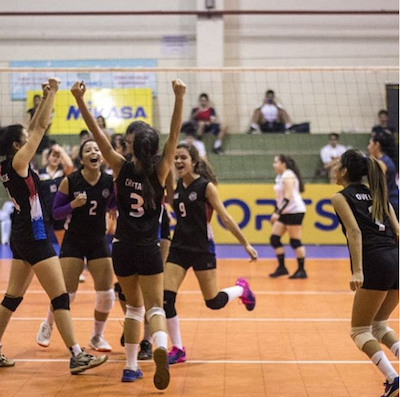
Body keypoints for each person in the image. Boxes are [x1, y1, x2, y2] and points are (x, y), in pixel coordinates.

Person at [70, 78, 186, 390]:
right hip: (149, 249)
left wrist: (80, 99)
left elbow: (97, 135)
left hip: (122, 248)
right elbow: (175, 135)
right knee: (155, 308)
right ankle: (160, 345)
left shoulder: (120, 167)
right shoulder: (160, 170)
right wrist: (178, 97)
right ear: (156, 148)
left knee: (133, 308)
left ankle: (131, 367)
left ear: (131, 145)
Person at [0, 78, 107, 373]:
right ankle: (77, 354)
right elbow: (41, 128)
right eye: (24, 136)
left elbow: (33, 127)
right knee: (60, 297)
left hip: (21, 235)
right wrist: (54, 94)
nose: (30, 134)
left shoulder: (9, 164)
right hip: (34, 236)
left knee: (12, 298)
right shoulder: (20, 162)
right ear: (16, 144)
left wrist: (45, 95)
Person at [164, 143, 258, 365]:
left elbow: (225, 217)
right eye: (176, 158)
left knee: (213, 302)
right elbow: (168, 196)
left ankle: (241, 289)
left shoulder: (206, 187)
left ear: (194, 162)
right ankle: (178, 348)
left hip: (202, 248)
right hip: (178, 248)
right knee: (166, 299)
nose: (178, 161)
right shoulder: (176, 186)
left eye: (183, 157)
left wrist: (245, 243)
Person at [36, 139, 116, 353]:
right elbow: (56, 213)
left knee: (107, 294)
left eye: (97, 149)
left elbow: (114, 203)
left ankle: (97, 337)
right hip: (74, 239)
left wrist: (115, 210)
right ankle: (48, 325)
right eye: (88, 150)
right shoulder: (70, 181)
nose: (94, 152)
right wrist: (72, 205)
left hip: (98, 239)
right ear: (82, 159)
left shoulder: (109, 181)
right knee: (66, 293)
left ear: (102, 156)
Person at [331, 149, 399, 397]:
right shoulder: (379, 194)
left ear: (345, 171)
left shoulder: (341, 197)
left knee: (360, 331)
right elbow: (399, 232)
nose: (333, 167)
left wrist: (357, 271)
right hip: (396, 259)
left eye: (337, 164)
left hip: (375, 261)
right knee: (380, 325)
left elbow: (355, 232)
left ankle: (394, 379)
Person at [269, 155, 307, 279]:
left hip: (294, 211)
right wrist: (276, 211)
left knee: (295, 241)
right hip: (286, 212)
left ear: (283, 164)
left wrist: (277, 213)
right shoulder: (280, 177)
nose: (274, 165)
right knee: (274, 239)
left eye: (276, 162)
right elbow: (279, 199)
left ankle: (302, 270)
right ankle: (282, 268)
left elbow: (288, 196)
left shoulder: (288, 175)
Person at [38, 143, 74, 245]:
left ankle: (64, 259)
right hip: (44, 212)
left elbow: (70, 165)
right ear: (48, 157)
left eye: (58, 157)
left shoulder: (62, 173)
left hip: (59, 211)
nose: (55, 158)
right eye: (53, 155)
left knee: (62, 242)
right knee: (41, 241)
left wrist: (60, 150)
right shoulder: (40, 173)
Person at [367, 131, 399, 217]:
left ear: (377, 145)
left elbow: (379, 186)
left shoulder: (382, 163)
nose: (368, 147)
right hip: (392, 200)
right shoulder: (385, 160)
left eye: (370, 144)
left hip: (390, 202)